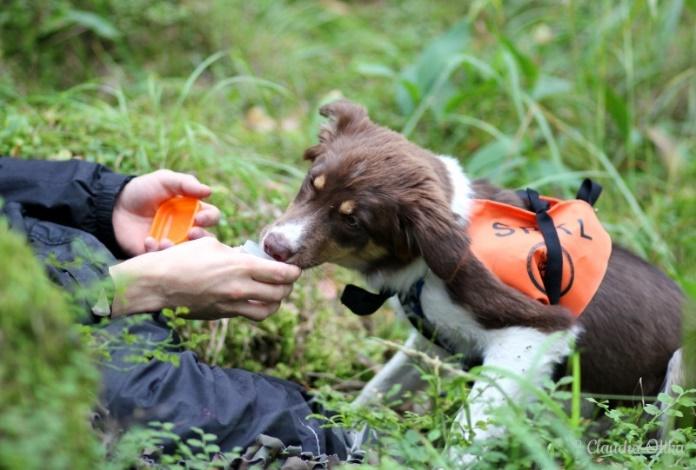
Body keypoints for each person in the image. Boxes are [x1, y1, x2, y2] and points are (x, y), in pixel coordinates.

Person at [0, 157, 357, 464]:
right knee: (274, 426)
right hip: (30, 328)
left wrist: (106, 203)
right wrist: (125, 288)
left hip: (47, 259)